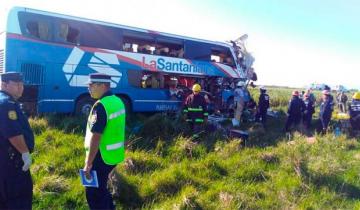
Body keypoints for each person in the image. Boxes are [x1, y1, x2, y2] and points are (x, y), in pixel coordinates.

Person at [84, 73, 126, 210]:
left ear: (103, 86)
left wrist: (88, 163)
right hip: (112, 156)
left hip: (100, 156)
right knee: (102, 189)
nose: (88, 87)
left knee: (93, 194)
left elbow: (96, 137)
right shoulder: (117, 101)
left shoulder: (101, 106)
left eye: (91, 85)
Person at [0, 72, 34, 209]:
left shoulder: (7, 101)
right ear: (4, 84)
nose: (21, 88)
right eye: (17, 84)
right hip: (11, 163)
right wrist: (25, 153)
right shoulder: (6, 104)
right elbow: (13, 133)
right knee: (18, 200)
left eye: (22, 84)